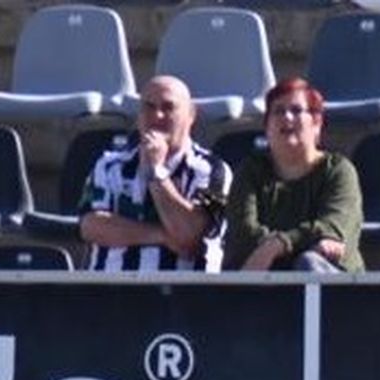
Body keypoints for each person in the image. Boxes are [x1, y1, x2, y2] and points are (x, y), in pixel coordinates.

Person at [79, 75, 230, 272]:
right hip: (113, 295)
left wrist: (156, 172)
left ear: (191, 115)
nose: (157, 115)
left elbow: (189, 236)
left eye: (168, 107)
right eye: (149, 107)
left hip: (186, 297)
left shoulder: (213, 171)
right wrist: (161, 235)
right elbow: (90, 226)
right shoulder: (109, 166)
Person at [225, 78, 364, 272]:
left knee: (310, 263)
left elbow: (333, 228)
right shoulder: (251, 171)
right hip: (261, 288)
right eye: (278, 111)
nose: (287, 117)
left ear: (316, 123)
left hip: (329, 291)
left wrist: (278, 245)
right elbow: (243, 234)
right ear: (266, 126)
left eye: (297, 110)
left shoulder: (339, 171)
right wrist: (302, 241)